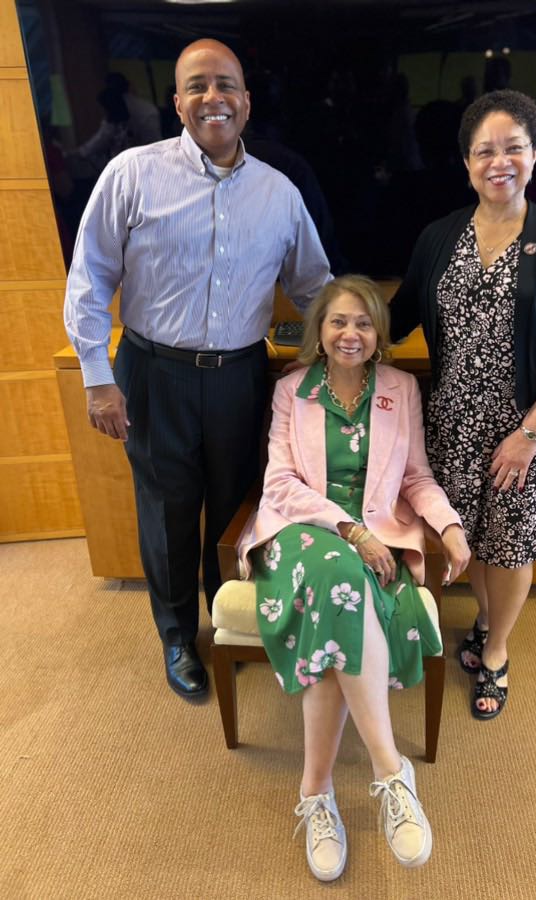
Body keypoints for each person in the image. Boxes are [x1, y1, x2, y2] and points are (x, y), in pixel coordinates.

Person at [64, 39, 331, 699]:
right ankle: (178, 636)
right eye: (198, 85)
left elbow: (313, 287)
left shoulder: (279, 190)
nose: (214, 97)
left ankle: (231, 620)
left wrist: (353, 348)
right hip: (154, 374)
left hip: (242, 376)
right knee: (167, 511)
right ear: (177, 101)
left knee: (237, 510)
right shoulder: (132, 173)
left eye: (226, 85)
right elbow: (90, 279)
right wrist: (97, 377)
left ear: (246, 99)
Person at [237, 275, 471, 881]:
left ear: (378, 335)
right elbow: (281, 483)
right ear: (319, 329)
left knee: (336, 619)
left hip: (379, 540)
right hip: (301, 530)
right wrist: (350, 530)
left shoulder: (399, 389)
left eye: (364, 323)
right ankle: (391, 772)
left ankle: (316, 793)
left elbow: (416, 477)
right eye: (339, 321)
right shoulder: (294, 390)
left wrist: (447, 526)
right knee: (341, 571)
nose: (351, 333)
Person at [389, 90, 536, 720]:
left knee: (510, 548)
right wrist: (335, 332)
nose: (499, 161)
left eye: (513, 148)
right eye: (485, 150)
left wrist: (529, 434)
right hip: (453, 423)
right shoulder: (439, 237)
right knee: (472, 541)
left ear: (534, 157)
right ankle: (484, 621)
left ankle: (499, 650)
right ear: (466, 162)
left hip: (528, 432)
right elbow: (398, 317)